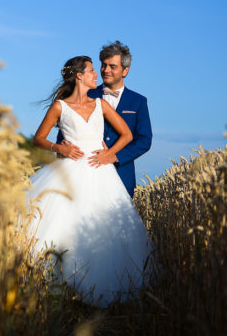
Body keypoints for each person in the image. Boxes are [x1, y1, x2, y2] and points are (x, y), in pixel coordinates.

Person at [27, 55, 151, 307]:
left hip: (100, 171)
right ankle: (60, 283)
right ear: (79, 76)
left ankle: (103, 288)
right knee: (65, 222)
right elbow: (38, 138)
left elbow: (127, 134)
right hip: (69, 169)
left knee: (105, 226)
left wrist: (109, 154)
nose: (98, 74)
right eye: (93, 70)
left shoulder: (101, 104)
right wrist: (58, 148)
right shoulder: (60, 107)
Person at [57, 41, 152, 198]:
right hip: (83, 174)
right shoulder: (85, 94)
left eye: (112, 66)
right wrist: (62, 145)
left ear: (125, 71)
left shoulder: (138, 101)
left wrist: (114, 156)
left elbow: (144, 140)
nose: (106, 70)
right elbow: (66, 127)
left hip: (122, 176)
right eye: (103, 65)